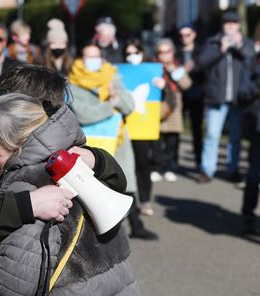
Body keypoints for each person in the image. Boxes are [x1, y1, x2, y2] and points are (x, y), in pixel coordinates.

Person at [0, 64, 147, 296]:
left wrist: (95, 159)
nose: (56, 118)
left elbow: (115, 184)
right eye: (51, 109)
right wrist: (28, 205)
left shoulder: (45, 148)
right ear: (20, 111)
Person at [68, 43, 158, 240]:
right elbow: (85, 115)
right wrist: (111, 105)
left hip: (117, 140)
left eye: (96, 56)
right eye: (88, 57)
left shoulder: (112, 76)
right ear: (81, 60)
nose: (93, 61)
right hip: (92, 143)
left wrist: (117, 100)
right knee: (95, 187)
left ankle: (136, 224)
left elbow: (130, 105)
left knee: (127, 180)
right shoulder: (72, 84)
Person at [196, 11, 255, 183]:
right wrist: (219, 50)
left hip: (237, 98)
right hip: (217, 98)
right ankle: (207, 170)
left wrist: (239, 46)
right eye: (227, 23)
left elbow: (252, 60)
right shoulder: (212, 42)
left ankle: (232, 169)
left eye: (234, 23)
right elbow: (202, 62)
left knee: (235, 137)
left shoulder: (246, 43)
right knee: (212, 135)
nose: (230, 26)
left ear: (238, 26)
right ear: (222, 25)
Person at [239, 27, 260, 234]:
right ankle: (248, 215)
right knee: (254, 173)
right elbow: (243, 91)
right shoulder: (252, 63)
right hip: (258, 125)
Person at [150, 39, 192, 182]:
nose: (164, 55)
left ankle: (168, 167)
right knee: (156, 142)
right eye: (161, 52)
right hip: (158, 109)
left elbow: (186, 85)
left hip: (174, 110)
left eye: (167, 52)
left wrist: (173, 71)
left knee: (172, 142)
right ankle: (156, 167)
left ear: (172, 52)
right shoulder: (153, 67)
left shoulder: (177, 67)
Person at [123, 38, 155, 216]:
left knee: (143, 163)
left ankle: (145, 200)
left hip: (143, 126)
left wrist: (162, 87)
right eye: (128, 53)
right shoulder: (119, 72)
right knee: (126, 165)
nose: (132, 56)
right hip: (124, 126)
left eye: (135, 52)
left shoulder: (151, 72)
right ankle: (129, 201)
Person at [176, 24, 205, 171]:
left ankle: (199, 162)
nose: (184, 38)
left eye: (187, 35)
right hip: (179, 96)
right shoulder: (176, 52)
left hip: (196, 95)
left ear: (193, 35)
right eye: (181, 35)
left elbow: (205, 71)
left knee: (196, 130)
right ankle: (173, 161)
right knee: (176, 129)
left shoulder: (201, 52)